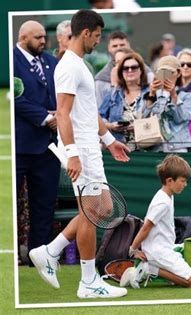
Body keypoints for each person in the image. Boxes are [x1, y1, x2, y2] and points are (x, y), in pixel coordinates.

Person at [28, 9, 130, 299]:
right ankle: (88, 282)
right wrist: (72, 154)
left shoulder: (78, 64)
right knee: (92, 212)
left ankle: (50, 251)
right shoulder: (70, 67)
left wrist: (110, 140)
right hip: (81, 150)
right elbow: (63, 113)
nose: (98, 41)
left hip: (89, 148)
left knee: (102, 208)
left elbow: (88, 110)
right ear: (86, 33)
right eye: (97, 36)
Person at [14, 20, 60, 256]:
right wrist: (45, 118)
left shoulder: (52, 62)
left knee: (44, 206)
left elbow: (62, 94)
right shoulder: (11, 60)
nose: (44, 41)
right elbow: (16, 98)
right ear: (23, 38)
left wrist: (59, 115)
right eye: (38, 37)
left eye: (44, 37)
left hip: (48, 148)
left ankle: (39, 257)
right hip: (20, 146)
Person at [120, 154, 191, 289]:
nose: (185, 184)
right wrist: (133, 250)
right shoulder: (162, 202)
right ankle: (149, 269)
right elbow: (146, 228)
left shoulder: (167, 195)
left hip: (164, 248)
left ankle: (152, 268)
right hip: (158, 251)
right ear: (169, 181)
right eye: (182, 181)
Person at [140, 55, 191, 153]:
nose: (166, 75)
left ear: (178, 73)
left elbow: (180, 119)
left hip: (178, 146)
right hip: (154, 146)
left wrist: (174, 96)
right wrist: (151, 95)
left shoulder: (187, 96)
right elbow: (142, 119)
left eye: (170, 72)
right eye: (162, 72)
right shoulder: (149, 94)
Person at [99, 52, 149, 147]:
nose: (130, 70)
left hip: (145, 149)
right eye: (125, 68)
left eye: (134, 67)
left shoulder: (151, 93)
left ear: (141, 70)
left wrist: (138, 127)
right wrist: (111, 126)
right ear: (121, 72)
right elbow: (99, 118)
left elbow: (158, 120)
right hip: (118, 147)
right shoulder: (113, 93)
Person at [95, 31, 153, 107]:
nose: (119, 48)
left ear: (129, 46)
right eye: (115, 46)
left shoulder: (147, 73)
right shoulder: (102, 79)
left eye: (122, 45)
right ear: (109, 48)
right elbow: (100, 110)